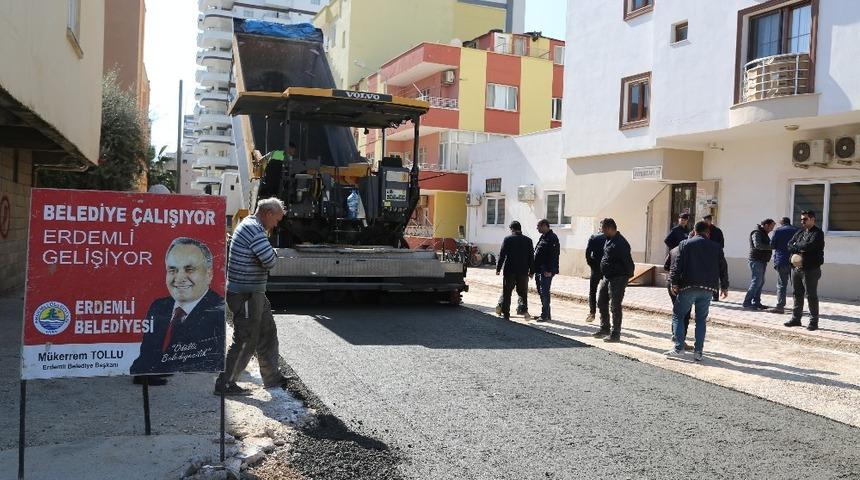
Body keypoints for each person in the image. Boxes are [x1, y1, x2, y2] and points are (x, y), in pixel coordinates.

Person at [215, 198, 289, 396]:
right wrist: (273, 252)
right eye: (276, 220)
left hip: (253, 292)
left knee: (267, 332)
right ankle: (225, 383)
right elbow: (270, 261)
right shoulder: (254, 230)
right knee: (246, 338)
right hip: (246, 294)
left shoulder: (250, 225)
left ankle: (272, 377)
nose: (276, 225)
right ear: (268, 213)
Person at [130, 238, 226, 376]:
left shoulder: (217, 311)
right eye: (172, 270)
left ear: (209, 274)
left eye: (189, 269)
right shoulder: (159, 307)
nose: (179, 278)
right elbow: (143, 362)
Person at [665, 221, 729, 362]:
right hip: (708, 289)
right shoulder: (716, 247)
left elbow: (677, 265)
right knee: (701, 320)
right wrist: (724, 286)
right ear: (708, 233)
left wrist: (674, 282)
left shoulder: (685, 244)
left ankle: (679, 348)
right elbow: (723, 267)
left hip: (688, 286)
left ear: (694, 231)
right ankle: (698, 352)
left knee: (678, 315)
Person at [594, 218, 634, 342]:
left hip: (618, 277)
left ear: (610, 228)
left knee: (615, 305)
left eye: (603, 229)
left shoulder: (621, 243)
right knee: (601, 301)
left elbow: (628, 263)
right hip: (607, 276)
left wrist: (626, 278)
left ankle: (615, 333)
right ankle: (604, 328)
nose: (601, 231)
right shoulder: (609, 240)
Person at [784, 210, 825, 331]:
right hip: (796, 268)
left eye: (805, 219)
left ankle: (813, 322)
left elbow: (809, 246)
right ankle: (796, 319)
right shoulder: (800, 232)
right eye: (801, 219)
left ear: (812, 219)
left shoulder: (817, 233)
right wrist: (799, 248)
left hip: (810, 269)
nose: (802, 221)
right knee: (797, 294)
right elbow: (789, 245)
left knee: (811, 295)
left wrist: (797, 247)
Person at [496, 221, 534, 320]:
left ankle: (506, 314)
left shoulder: (508, 239)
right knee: (522, 292)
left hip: (510, 271)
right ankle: (524, 310)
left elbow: (502, 255)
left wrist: (498, 268)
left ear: (512, 229)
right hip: (523, 271)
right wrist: (532, 271)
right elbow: (531, 257)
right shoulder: (528, 240)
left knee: (507, 292)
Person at [769, 217, 800, 314]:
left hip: (781, 260)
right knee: (797, 285)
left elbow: (772, 245)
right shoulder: (797, 230)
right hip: (794, 260)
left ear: (782, 222)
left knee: (782, 284)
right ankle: (798, 307)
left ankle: (780, 306)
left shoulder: (778, 231)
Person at [742, 218, 775, 309]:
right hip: (756, 260)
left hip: (762, 260)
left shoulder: (763, 233)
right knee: (756, 281)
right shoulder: (756, 232)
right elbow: (758, 245)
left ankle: (756, 302)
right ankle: (747, 302)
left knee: (760, 281)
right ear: (766, 225)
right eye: (771, 227)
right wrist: (772, 247)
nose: (772, 229)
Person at [665, 244, 692, 351]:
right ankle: (680, 340)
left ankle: (675, 334)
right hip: (682, 284)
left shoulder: (673, 250)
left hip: (671, 283)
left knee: (677, 311)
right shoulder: (689, 251)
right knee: (685, 313)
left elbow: (666, 266)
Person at [533, 219, 560, 322]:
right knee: (541, 291)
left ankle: (544, 315)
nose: (537, 228)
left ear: (544, 225)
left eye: (538, 226)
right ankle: (546, 314)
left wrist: (550, 270)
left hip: (546, 270)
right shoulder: (543, 237)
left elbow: (554, 256)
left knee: (544, 292)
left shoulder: (552, 237)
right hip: (539, 269)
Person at [584, 222, 605, 323]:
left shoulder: (594, 237)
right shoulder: (611, 238)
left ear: (601, 227)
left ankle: (592, 313)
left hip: (596, 268)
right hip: (607, 268)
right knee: (606, 292)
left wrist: (591, 264)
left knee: (593, 291)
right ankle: (604, 314)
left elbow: (588, 253)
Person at [701, 214, 726, 301]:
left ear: (710, 221)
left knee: (715, 276)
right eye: (703, 221)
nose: (704, 223)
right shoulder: (701, 230)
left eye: (706, 221)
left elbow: (721, 244)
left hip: (714, 256)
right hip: (703, 256)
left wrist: (714, 249)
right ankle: (703, 294)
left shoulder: (717, 231)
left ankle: (715, 296)